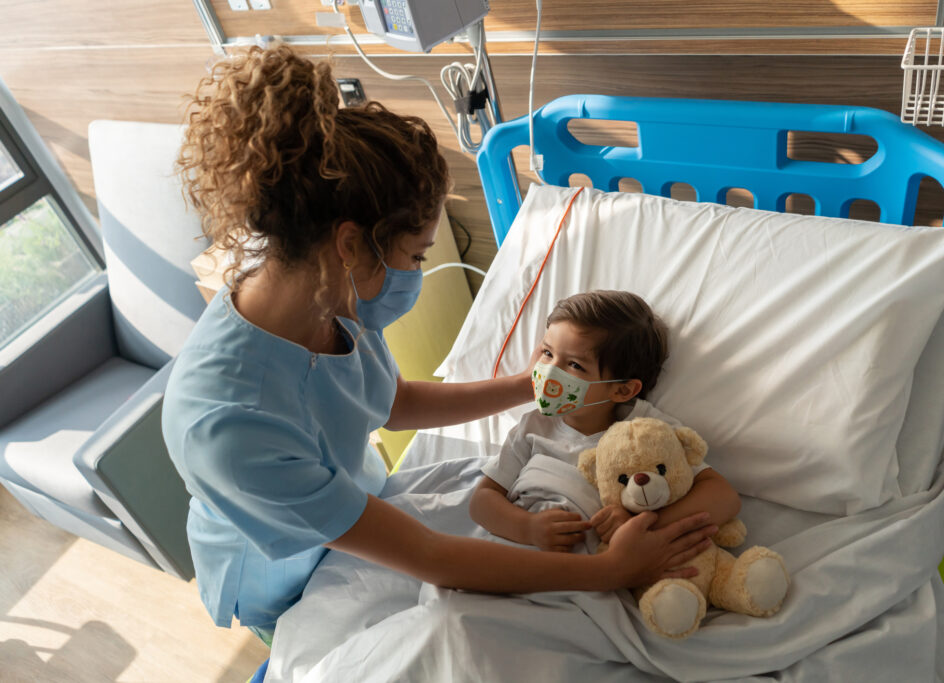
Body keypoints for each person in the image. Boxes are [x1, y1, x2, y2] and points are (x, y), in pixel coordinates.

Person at [161, 44, 716, 645]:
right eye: (416, 254)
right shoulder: (229, 425)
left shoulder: (328, 298)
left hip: (358, 502)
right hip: (280, 565)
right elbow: (431, 557)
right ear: (350, 244)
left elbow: (390, 403)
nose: (415, 274)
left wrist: (526, 386)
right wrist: (607, 571)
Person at [470, 291, 741, 553]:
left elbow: (722, 496)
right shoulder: (534, 425)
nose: (550, 372)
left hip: (591, 566)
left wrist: (642, 525)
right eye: (548, 353)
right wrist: (527, 528)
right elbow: (482, 501)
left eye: (574, 365)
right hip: (518, 550)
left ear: (622, 390)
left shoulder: (645, 429)